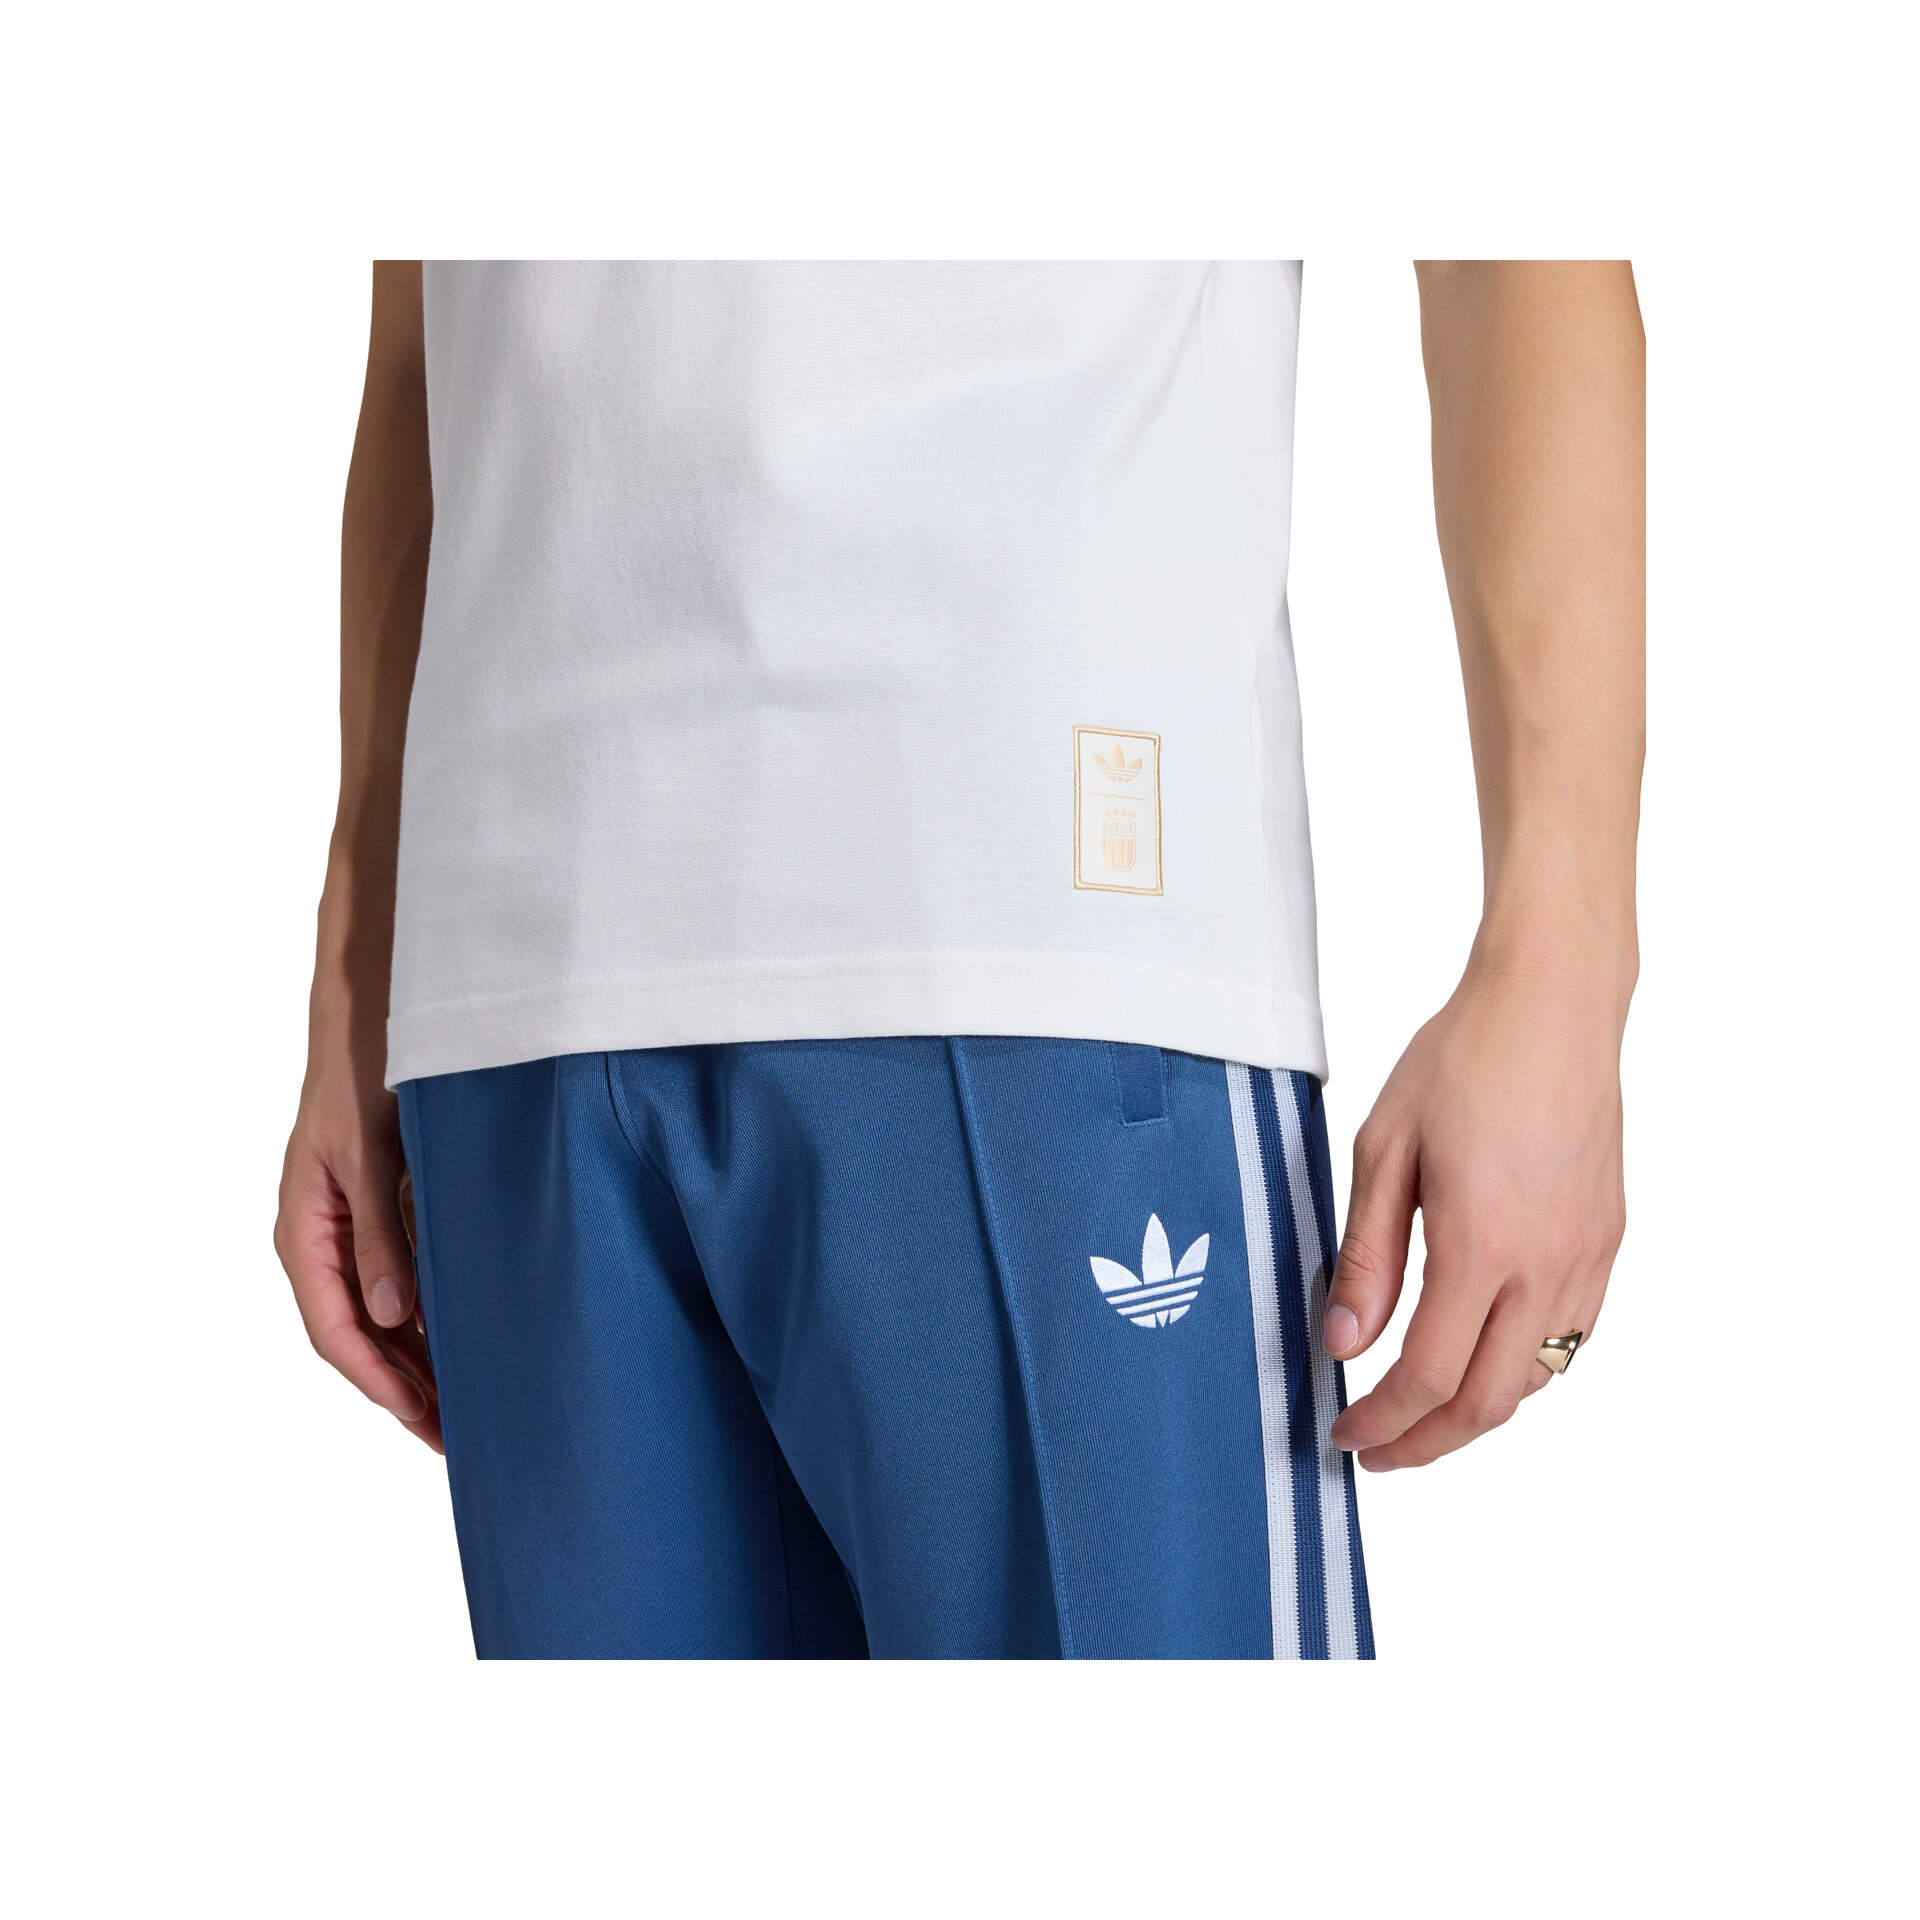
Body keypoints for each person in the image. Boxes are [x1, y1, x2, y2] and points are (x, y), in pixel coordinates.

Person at [275, 261, 1644, 1658]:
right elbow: (419, 343)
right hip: (516, 972)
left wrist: (1563, 971)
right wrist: (356, 966)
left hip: (1040, 914)